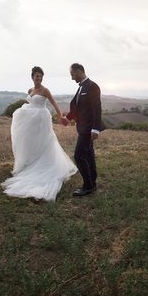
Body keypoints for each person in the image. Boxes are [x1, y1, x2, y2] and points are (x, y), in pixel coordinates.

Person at [2, 66, 77, 202]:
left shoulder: (45, 90)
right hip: (30, 121)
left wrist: (61, 117)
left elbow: (54, 103)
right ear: (33, 77)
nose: (39, 78)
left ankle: (42, 165)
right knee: (30, 142)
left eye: (41, 76)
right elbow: (30, 103)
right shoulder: (30, 90)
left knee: (43, 143)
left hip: (41, 120)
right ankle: (29, 162)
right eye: (37, 76)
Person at [61, 63, 105, 197]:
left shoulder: (92, 86)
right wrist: (68, 118)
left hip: (88, 129)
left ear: (79, 71)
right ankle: (92, 183)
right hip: (82, 128)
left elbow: (96, 109)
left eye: (73, 74)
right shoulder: (81, 87)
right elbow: (77, 108)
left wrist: (96, 129)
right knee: (89, 155)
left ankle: (88, 185)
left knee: (79, 156)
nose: (72, 78)